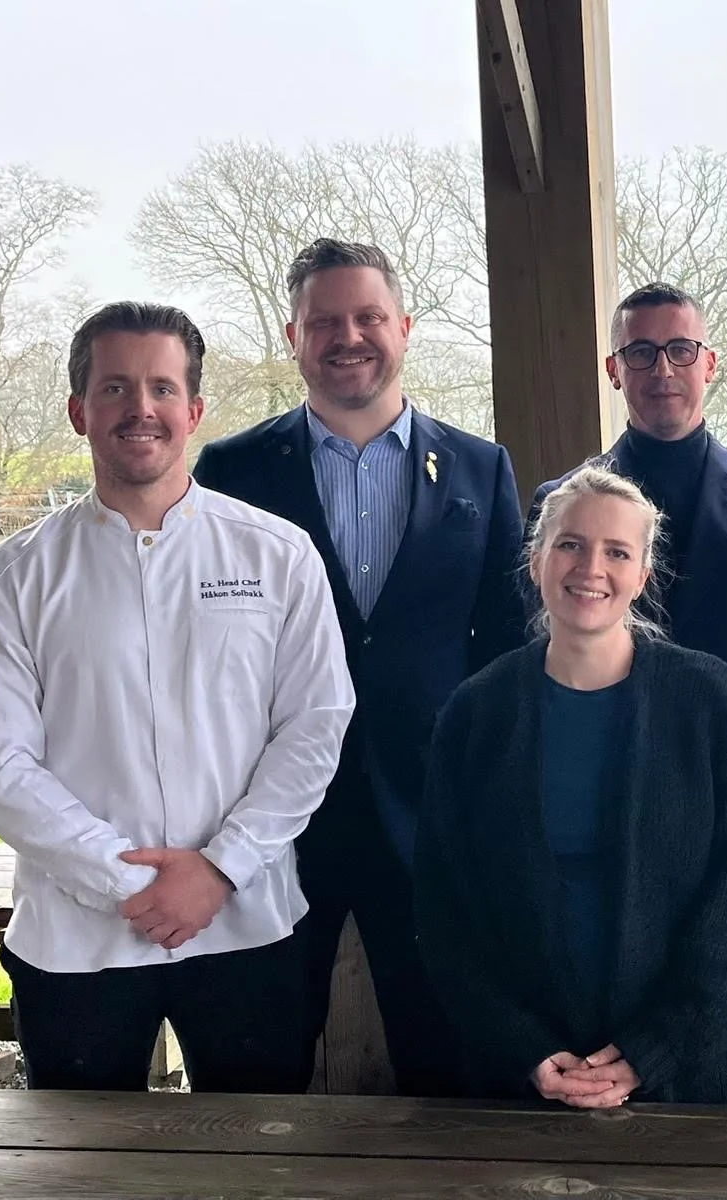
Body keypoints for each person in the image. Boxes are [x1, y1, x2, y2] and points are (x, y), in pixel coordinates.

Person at [0, 302, 354, 1092]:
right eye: (115, 388)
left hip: (247, 926)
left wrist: (221, 869)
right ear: (79, 411)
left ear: (194, 411)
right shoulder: (12, 577)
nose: (141, 408)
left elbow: (314, 726)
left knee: (258, 1148)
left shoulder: (278, 555)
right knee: (79, 1155)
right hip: (76, 939)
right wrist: (129, 883)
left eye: (162, 388)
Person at [193, 238, 525, 1094]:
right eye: (325, 322)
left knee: (447, 1069)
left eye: (369, 317)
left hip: (430, 813)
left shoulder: (482, 469)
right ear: (293, 337)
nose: (349, 337)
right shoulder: (231, 472)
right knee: (253, 1066)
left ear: (404, 326)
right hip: (271, 818)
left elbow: (507, 649)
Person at [413, 465, 727, 1105]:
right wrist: (523, 1047)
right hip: (524, 1082)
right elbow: (447, 909)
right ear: (536, 561)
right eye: (571, 545)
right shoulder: (477, 713)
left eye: (617, 552)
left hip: (693, 1078)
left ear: (643, 573)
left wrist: (654, 1051)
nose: (591, 568)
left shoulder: (712, 703)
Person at [528, 282, 727, 689]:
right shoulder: (562, 504)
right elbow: (532, 643)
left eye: (681, 349)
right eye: (641, 352)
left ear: (709, 364)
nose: (663, 370)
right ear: (614, 371)